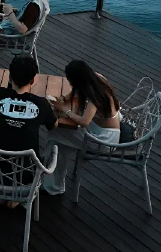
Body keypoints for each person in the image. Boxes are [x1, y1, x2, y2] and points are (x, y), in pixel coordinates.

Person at [0, 55, 57, 207]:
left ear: (9, 76)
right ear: (33, 80)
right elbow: (53, 125)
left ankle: (2, 194)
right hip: (24, 173)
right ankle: (17, 195)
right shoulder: (41, 104)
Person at [44, 59, 122, 195]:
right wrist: (64, 98)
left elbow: (84, 121)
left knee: (57, 133)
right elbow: (78, 90)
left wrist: (64, 109)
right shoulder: (96, 79)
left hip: (104, 140)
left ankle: (54, 181)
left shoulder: (95, 95)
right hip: (102, 129)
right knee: (63, 141)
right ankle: (53, 168)